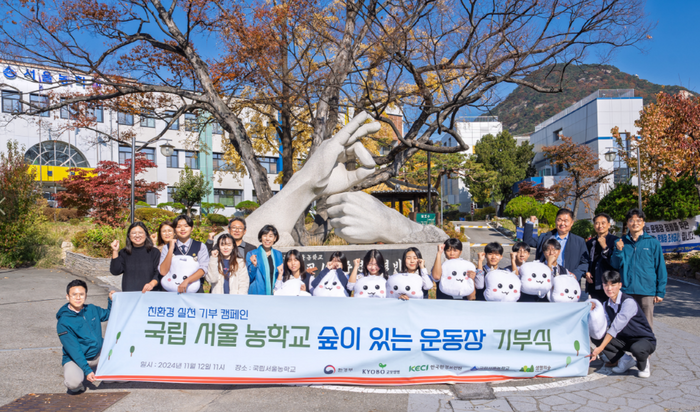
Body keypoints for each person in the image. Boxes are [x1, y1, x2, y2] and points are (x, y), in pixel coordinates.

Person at [587, 270, 656, 378]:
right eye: (606, 285)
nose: (609, 289)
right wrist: (592, 311)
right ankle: (625, 360)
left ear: (620, 285)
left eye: (613, 285)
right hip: (623, 339)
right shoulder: (606, 304)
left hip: (642, 339)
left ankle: (644, 363)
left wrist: (600, 349)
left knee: (637, 349)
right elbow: (602, 326)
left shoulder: (628, 302)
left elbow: (615, 328)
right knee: (597, 336)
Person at [610, 208, 667, 329]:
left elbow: (660, 268)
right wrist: (618, 250)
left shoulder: (652, 243)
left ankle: (646, 347)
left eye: (638, 220)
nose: (635, 223)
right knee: (625, 324)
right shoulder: (620, 242)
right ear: (627, 223)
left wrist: (660, 291)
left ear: (643, 223)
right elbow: (615, 265)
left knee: (646, 325)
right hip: (626, 290)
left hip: (646, 291)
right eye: (631, 220)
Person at [56, 279, 115, 394]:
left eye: (81, 294)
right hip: (76, 359)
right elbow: (74, 350)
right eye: (74, 295)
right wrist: (87, 370)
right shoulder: (63, 322)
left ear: (86, 296)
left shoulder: (92, 309)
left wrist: (111, 300)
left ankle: (102, 373)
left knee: (123, 378)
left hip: (98, 354)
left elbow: (108, 314)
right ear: (67, 297)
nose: (78, 298)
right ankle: (83, 374)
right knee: (74, 383)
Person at [523, 209, 590, 299]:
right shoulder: (545, 237)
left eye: (566, 221)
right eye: (559, 220)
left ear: (572, 223)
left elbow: (585, 262)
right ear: (555, 221)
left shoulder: (579, 241)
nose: (562, 223)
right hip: (545, 282)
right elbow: (528, 241)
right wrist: (530, 222)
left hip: (567, 284)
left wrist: (575, 274)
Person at [158, 215, 210, 293]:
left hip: (195, 290)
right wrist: (171, 249)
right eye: (178, 226)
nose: (182, 229)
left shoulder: (200, 246)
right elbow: (163, 271)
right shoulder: (167, 247)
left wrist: (187, 280)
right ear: (175, 230)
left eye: (186, 226)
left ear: (192, 228)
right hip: (171, 291)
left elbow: (203, 269)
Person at [110, 222, 162, 292]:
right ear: (129, 236)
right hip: (130, 295)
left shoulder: (154, 252)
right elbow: (115, 271)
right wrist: (115, 251)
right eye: (133, 233)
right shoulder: (124, 252)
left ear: (146, 235)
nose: (137, 235)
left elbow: (158, 273)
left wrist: (151, 284)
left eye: (140, 232)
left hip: (150, 293)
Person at [586, 213, 619, 302]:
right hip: (594, 284)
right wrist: (586, 272)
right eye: (597, 223)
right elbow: (585, 261)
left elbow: (617, 262)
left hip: (610, 284)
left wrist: (605, 247)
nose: (600, 226)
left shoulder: (616, 241)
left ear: (609, 225)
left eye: (603, 223)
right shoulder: (590, 243)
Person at [246, 224, 284, 295]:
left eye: (270, 236)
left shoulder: (278, 254)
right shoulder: (252, 254)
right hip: (257, 294)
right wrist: (254, 266)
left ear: (275, 238)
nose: (267, 239)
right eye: (265, 235)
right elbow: (248, 278)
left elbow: (281, 274)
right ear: (261, 237)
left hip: (275, 294)